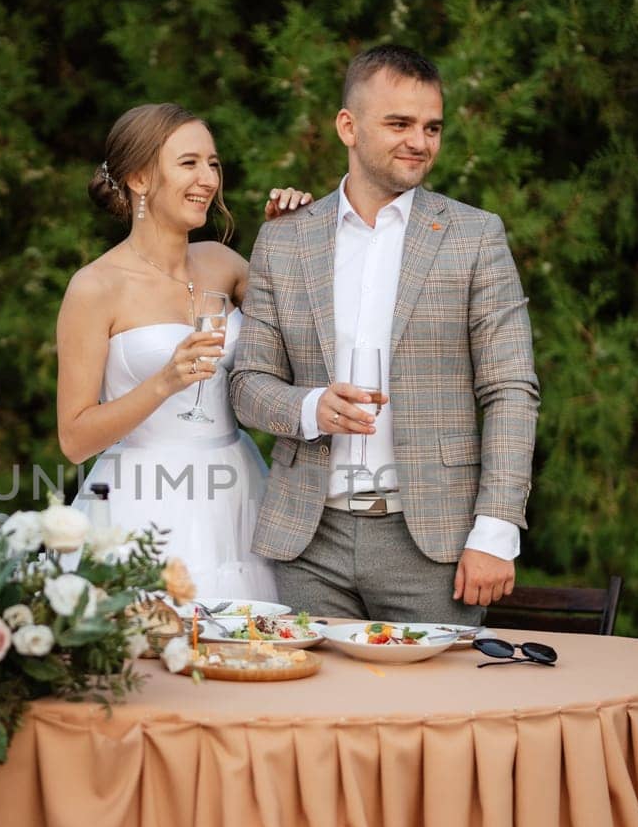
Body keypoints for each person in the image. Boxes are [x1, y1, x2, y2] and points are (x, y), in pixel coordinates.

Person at [230, 44, 539, 624]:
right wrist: (309, 406)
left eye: (432, 127)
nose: (419, 142)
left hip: (433, 546)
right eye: (399, 123)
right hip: (306, 543)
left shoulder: (475, 236)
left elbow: (511, 389)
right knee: (310, 713)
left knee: (434, 715)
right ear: (348, 126)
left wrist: (496, 528)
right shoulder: (285, 239)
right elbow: (248, 382)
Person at [56, 102, 310, 603]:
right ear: (139, 178)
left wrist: (294, 238)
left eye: (213, 163)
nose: (208, 178)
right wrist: (164, 382)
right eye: (188, 163)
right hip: (143, 498)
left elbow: (309, 333)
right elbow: (74, 439)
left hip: (236, 489)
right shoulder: (94, 287)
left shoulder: (222, 263)